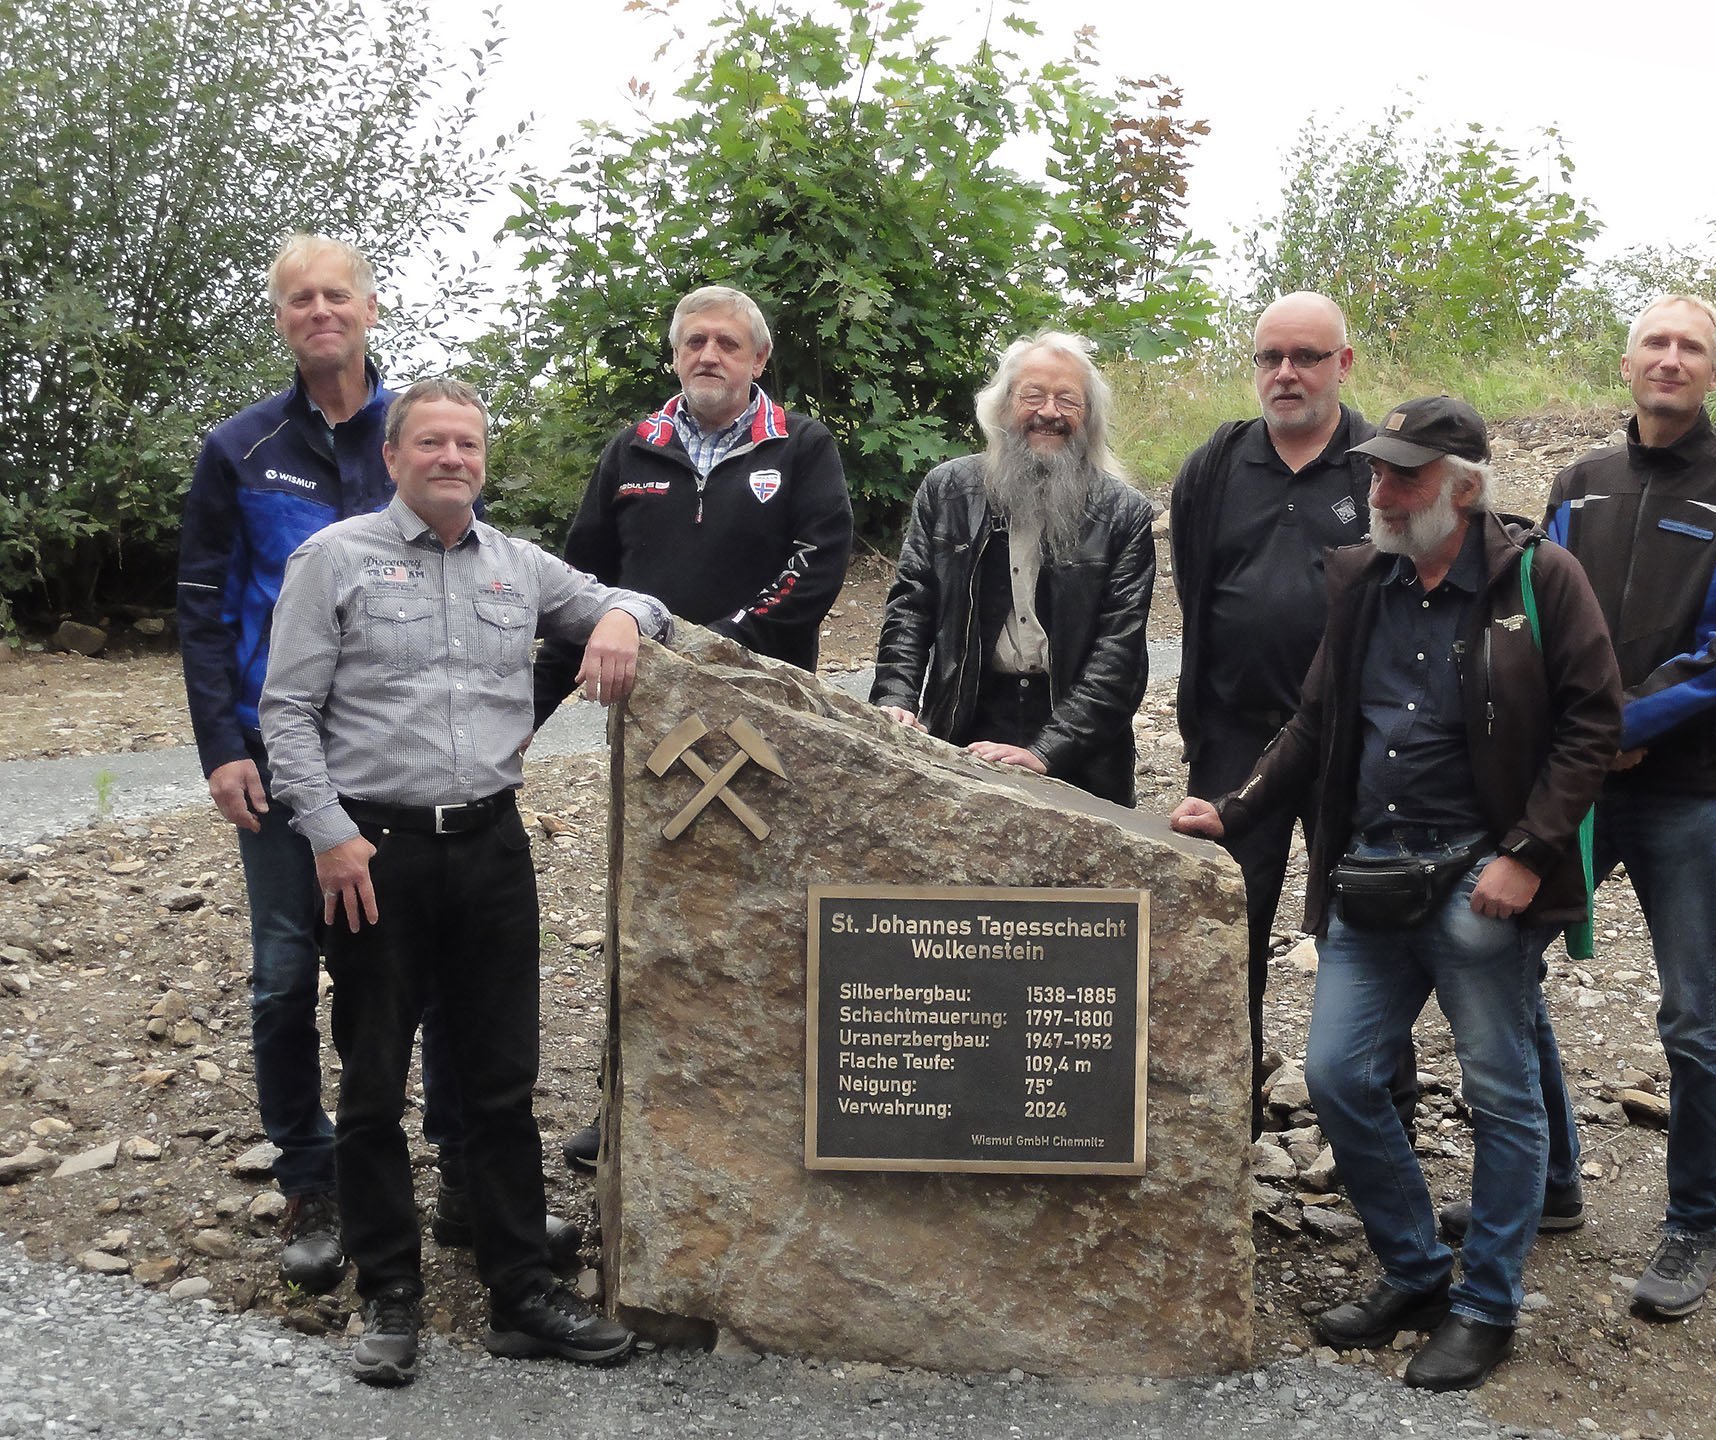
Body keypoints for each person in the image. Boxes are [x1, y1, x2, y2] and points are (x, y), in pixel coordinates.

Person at [1172, 396, 1620, 1391]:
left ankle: (1486, 1304)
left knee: (1502, 1099)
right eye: (1375, 472)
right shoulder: (1362, 581)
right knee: (1336, 1078)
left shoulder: (1539, 580)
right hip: (1373, 875)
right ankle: (1415, 1268)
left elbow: (1592, 726)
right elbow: (1312, 721)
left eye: (1402, 476)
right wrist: (1234, 809)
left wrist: (1528, 853)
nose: (1377, 489)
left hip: (1481, 879)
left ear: (1462, 488)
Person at [260, 377, 670, 1385]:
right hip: (373, 856)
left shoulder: (518, 567)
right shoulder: (335, 560)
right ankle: (388, 1292)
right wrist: (327, 836)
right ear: (393, 456)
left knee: (499, 1083)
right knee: (370, 1085)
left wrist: (616, 617)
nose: (452, 459)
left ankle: (520, 1290)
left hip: (490, 851)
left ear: (482, 461)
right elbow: (285, 715)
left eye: (468, 446)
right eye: (431, 443)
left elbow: (639, 603)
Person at [177, 236, 479, 1291]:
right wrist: (221, 746)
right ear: (281, 318)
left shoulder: (419, 437)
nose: (319, 311)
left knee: (431, 968)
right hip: (275, 756)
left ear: (370, 306)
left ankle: (459, 1173)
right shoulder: (239, 449)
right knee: (280, 976)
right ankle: (310, 1177)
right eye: (299, 299)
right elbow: (205, 607)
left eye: (335, 294)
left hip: (396, 762)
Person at [532, 284, 853, 1171]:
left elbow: (817, 563)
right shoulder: (635, 449)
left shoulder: (801, 447)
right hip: (652, 730)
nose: (707, 355)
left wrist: (723, 649)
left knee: (769, 906)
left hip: (768, 718)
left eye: (726, 343)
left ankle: (766, 1103)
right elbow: (578, 589)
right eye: (692, 343)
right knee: (650, 914)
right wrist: (519, 717)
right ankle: (626, 1104)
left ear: (759, 359)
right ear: (675, 356)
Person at [1536, 294, 1716, 1320]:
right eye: (1655, 342)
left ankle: (1694, 1223)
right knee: (1499, 970)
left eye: (1690, 348)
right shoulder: (1579, 485)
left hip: (1684, 790)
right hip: (1576, 784)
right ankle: (1553, 1185)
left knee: (1692, 1019)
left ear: (1712, 374)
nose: (1670, 359)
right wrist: (1573, 736)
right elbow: (1532, 617)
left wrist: (1632, 719)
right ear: (1625, 361)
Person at [1168, 291, 1374, 1122]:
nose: (1285, 374)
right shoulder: (1214, 467)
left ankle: (1370, 1101)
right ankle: (1231, 1106)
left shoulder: (1378, 463)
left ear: (1343, 364)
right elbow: (1192, 591)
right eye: (1268, 358)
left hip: (1353, 745)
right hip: (1234, 737)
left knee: (1363, 929)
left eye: (1306, 357)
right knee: (1230, 925)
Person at [870, 331, 1155, 805]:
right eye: (1034, 396)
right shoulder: (947, 492)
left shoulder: (1123, 513)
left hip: (1082, 740)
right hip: (968, 714)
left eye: (1068, 400)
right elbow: (911, 608)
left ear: (1089, 419)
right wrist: (895, 700)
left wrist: (1046, 752)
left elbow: (1118, 656)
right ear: (1003, 408)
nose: (1049, 412)